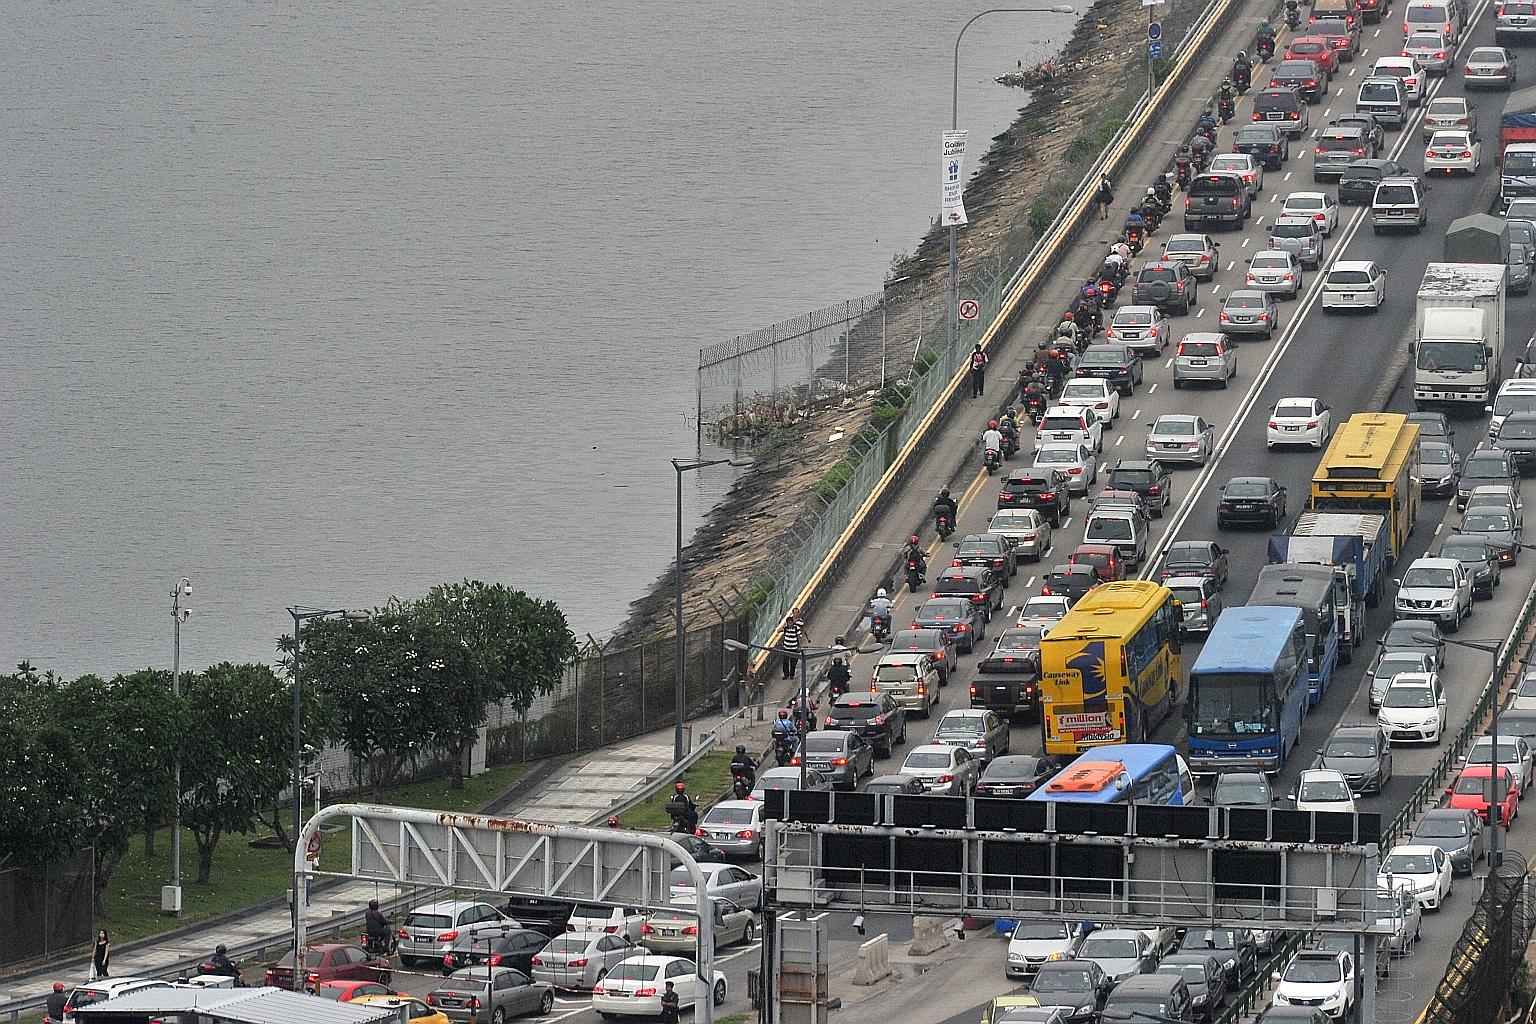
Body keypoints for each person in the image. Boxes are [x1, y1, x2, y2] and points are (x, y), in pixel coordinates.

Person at [780, 608, 805, 679]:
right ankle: (786, 675)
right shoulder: (785, 628)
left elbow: (799, 637)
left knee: (793, 662)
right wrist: (784, 626)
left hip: (794, 648)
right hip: (786, 648)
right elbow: (778, 630)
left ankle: (792, 675)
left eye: (791, 623)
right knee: (785, 662)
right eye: (788, 623)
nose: (790, 624)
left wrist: (799, 646)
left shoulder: (796, 628)